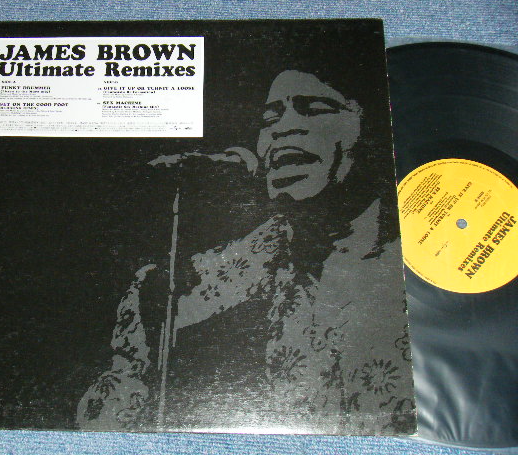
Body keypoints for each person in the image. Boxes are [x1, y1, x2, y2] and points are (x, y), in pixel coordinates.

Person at [77, 69, 414, 434]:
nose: (283, 128)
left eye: (315, 109)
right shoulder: (179, 291)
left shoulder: (423, 263)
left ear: (371, 129)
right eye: (269, 119)